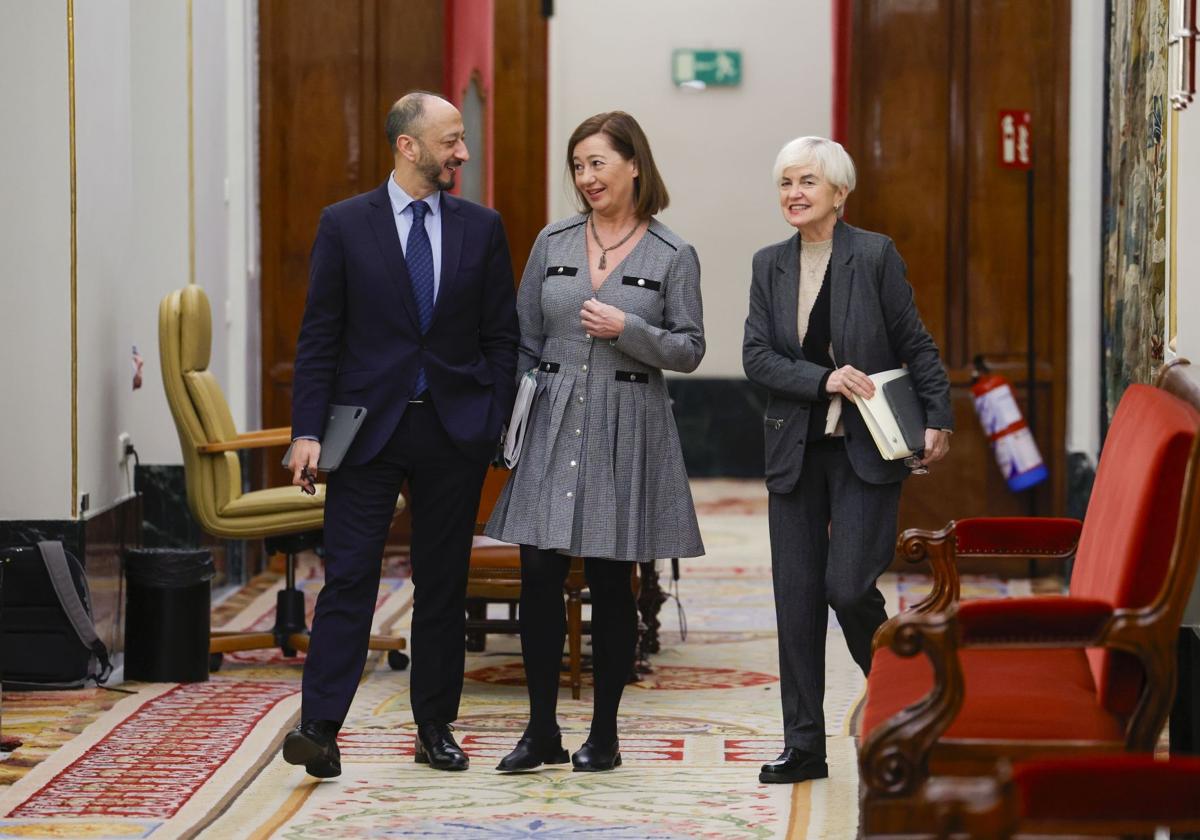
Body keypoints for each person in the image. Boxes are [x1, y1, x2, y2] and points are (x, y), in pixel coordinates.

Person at [282, 91, 519, 777]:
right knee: (350, 579)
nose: (463, 153)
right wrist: (306, 430)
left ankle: (435, 729)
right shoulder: (345, 225)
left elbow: (501, 336)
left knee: (443, 585)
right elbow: (320, 335)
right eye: (451, 141)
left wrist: (495, 417)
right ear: (409, 147)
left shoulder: (482, 227)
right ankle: (320, 728)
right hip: (366, 431)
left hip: (454, 431)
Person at [486, 111, 705, 773]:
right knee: (539, 574)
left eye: (598, 163)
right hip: (552, 419)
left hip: (625, 425)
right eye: (578, 166)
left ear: (634, 164)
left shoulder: (672, 254)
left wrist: (627, 329)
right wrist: (512, 417)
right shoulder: (552, 242)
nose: (586, 177)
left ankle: (603, 737)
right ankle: (541, 730)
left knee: (613, 583)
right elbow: (523, 336)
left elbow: (692, 349)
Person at [743, 136, 952, 784]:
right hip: (796, 449)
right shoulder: (768, 264)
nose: (794, 194)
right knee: (797, 600)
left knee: (847, 588)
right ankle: (804, 746)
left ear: (838, 191)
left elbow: (914, 342)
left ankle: (907, 700)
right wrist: (821, 380)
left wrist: (939, 413)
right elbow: (756, 357)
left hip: (867, 448)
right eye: (785, 183)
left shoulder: (873, 254)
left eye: (807, 181)